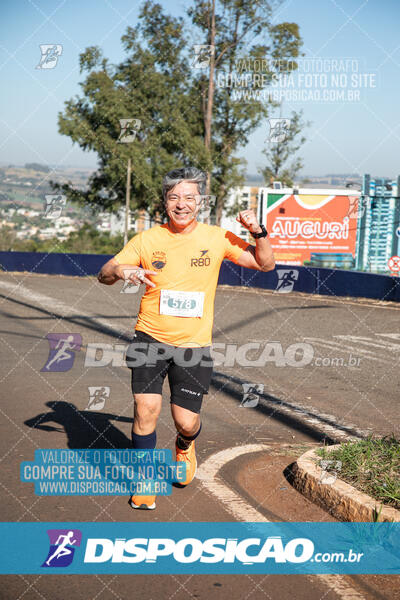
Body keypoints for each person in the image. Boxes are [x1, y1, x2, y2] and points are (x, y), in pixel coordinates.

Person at [98, 167, 275, 510]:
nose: (181, 204)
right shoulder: (147, 240)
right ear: (164, 201)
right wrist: (122, 271)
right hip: (149, 338)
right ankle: (144, 480)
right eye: (174, 197)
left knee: (186, 420)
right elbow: (104, 273)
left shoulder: (217, 238)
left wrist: (259, 232)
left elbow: (264, 265)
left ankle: (184, 444)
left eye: (189, 197)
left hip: (194, 347)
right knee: (145, 407)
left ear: (201, 202)